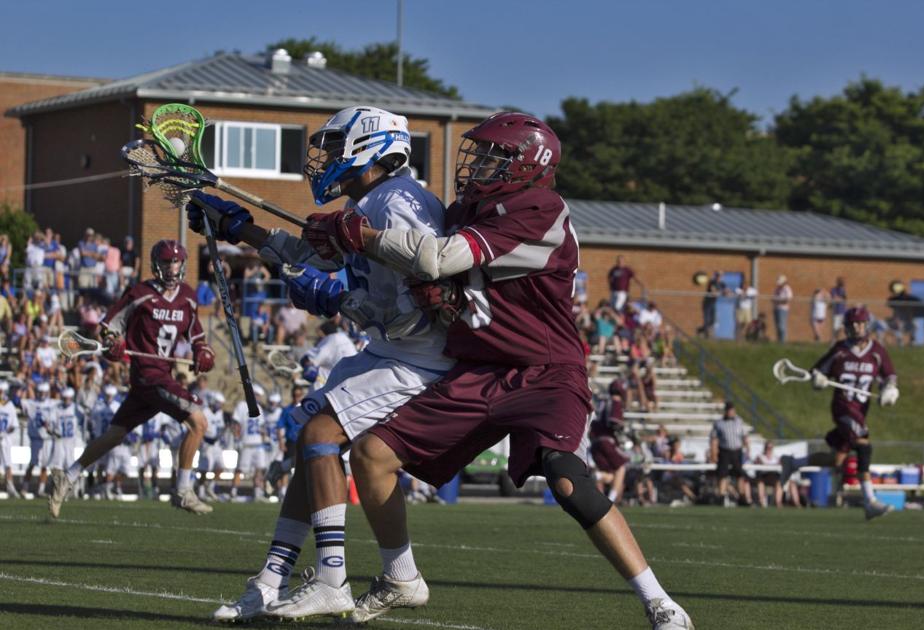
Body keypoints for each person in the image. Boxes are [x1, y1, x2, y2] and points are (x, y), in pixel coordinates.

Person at [307, 112, 692, 628]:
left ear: (530, 164)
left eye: (494, 156)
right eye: (481, 153)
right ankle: (400, 578)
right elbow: (435, 281)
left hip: (544, 369)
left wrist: (363, 235)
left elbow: (437, 259)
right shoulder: (468, 207)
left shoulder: (539, 208)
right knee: (373, 456)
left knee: (565, 478)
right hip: (480, 368)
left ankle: (659, 601)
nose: (479, 164)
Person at [185, 105, 453, 622]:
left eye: (334, 147)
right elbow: (311, 254)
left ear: (369, 148)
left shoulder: (399, 204)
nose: (325, 158)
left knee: (319, 437)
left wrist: (341, 301)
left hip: (417, 356)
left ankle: (332, 580)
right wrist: (243, 230)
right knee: (312, 442)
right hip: (389, 349)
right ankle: (269, 581)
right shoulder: (372, 200)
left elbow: (430, 299)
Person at [48, 239, 216, 517]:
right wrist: (114, 342)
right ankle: (183, 491)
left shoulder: (187, 296)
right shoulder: (140, 292)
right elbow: (108, 326)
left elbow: (195, 333)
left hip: (160, 377)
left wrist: (202, 350)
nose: (171, 267)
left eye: (175, 261)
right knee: (198, 422)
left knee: (114, 435)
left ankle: (67, 477)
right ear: (155, 264)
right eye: (166, 262)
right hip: (149, 374)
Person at [780, 306, 899, 520]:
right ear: (846, 327)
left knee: (836, 460)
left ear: (867, 325)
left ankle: (793, 463)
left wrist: (890, 390)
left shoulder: (877, 351)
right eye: (852, 325)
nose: (856, 328)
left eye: (860, 324)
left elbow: (889, 376)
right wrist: (819, 380)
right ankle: (870, 501)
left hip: (861, 411)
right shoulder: (840, 350)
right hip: (843, 408)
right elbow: (816, 373)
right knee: (864, 447)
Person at [709, 401, 751, 506]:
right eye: (729, 410)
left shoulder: (739, 421)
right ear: (726, 411)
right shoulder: (719, 423)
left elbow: (744, 436)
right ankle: (721, 496)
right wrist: (713, 453)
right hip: (724, 451)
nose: (731, 412)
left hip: (737, 450)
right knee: (722, 474)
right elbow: (714, 439)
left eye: (732, 410)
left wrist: (747, 449)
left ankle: (741, 496)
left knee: (739, 474)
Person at [21, 381, 57, 496]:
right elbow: (19, 401)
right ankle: (24, 488)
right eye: (39, 392)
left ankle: (40, 490)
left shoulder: (52, 404)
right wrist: (25, 388)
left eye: (43, 392)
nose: (41, 394)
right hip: (35, 438)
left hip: (47, 439)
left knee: (44, 465)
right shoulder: (32, 403)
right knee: (32, 463)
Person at [0, 382, 21, 497]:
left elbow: (14, 425)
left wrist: (4, 432)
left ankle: (10, 487)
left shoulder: (10, 405)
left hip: (5, 439)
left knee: (8, 464)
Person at [697, 271, 722, 338]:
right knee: (707, 320)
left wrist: (726, 292)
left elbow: (726, 290)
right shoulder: (712, 282)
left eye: (720, 276)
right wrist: (719, 293)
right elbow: (713, 291)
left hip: (713, 303)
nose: (719, 277)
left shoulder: (720, 283)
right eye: (718, 276)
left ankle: (701, 330)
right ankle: (705, 334)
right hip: (707, 303)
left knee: (713, 320)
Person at [772, 275, 792, 343]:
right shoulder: (777, 288)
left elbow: (787, 300)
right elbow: (773, 298)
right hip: (776, 308)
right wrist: (776, 300)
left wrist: (778, 301)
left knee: (782, 326)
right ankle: (779, 341)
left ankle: (783, 341)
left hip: (783, 309)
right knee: (777, 326)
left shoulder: (787, 288)